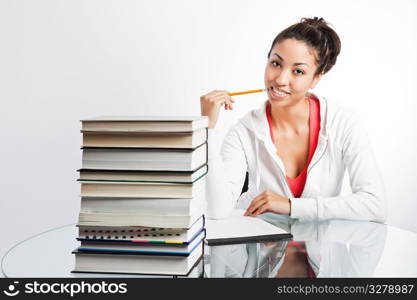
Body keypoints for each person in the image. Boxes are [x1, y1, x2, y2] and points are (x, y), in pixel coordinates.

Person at [200, 17, 387, 222]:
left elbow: (375, 205)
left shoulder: (343, 123)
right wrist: (208, 127)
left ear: (316, 78)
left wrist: (291, 206)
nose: (280, 79)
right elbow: (217, 209)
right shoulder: (244, 130)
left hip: (320, 249)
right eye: (276, 63)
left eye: (298, 71)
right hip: (260, 250)